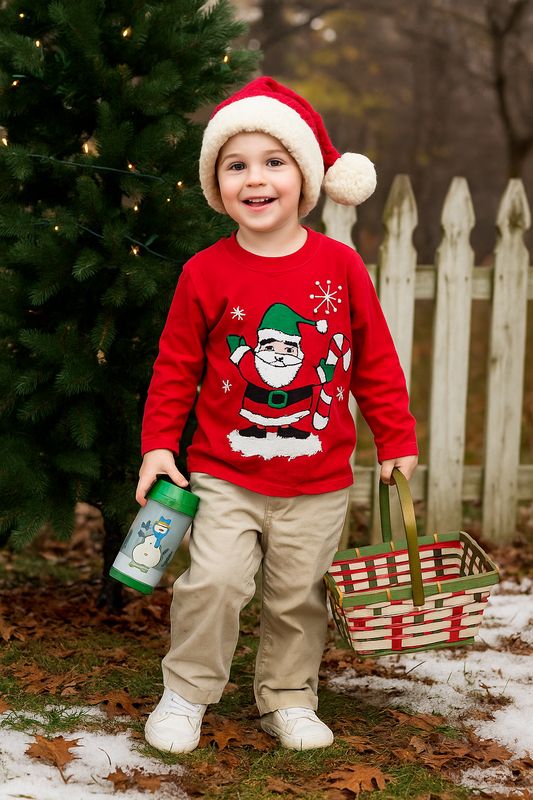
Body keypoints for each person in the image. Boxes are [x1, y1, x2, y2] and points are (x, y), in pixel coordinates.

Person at [136, 76, 418, 754]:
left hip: (317, 479)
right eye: (236, 165)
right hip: (222, 473)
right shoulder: (205, 273)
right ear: (216, 182)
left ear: (307, 177)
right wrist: (157, 447)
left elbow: (373, 361)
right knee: (213, 583)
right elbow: (176, 367)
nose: (254, 179)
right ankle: (185, 693)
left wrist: (395, 440)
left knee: (297, 597)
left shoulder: (340, 266)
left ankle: (288, 697)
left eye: (273, 162)